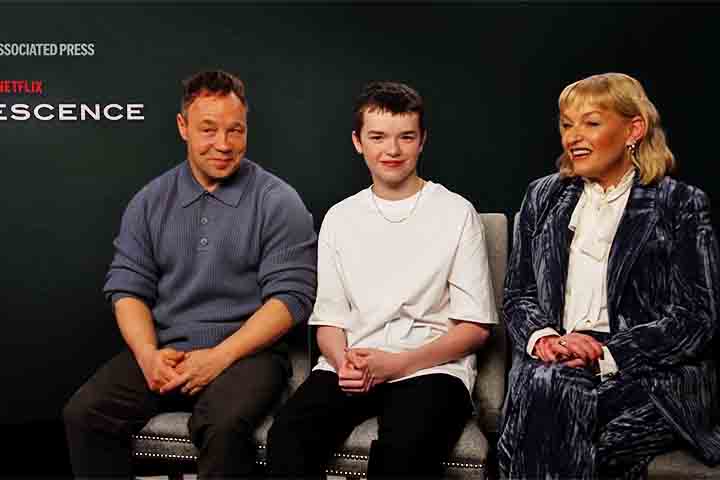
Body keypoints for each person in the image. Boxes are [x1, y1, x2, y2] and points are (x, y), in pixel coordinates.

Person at [63, 70, 318, 479]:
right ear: (183, 127)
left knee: (222, 426)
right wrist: (147, 355)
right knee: (85, 414)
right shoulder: (150, 201)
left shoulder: (278, 201)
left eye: (235, 130)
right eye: (208, 129)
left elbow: (292, 298)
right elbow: (127, 288)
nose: (224, 144)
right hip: (168, 350)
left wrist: (219, 358)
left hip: (248, 354)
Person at [265, 81, 498, 480]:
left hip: (431, 368)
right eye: (378, 137)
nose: (392, 150)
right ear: (358, 142)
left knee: (403, 453)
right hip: (353, 364)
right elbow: (329, 322)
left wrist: (396, 364)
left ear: (422, 141)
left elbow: (475, 328)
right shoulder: (340, 217)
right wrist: (344, 363)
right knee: (288, 436)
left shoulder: (457, 213)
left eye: (405, 137)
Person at [498, 72, 720, 479]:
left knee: (551, 404)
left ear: (633, 129)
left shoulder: (680, 204)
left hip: (646, 375)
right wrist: (546, 339)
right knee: (555, 387)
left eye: (591, 123)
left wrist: (605, 353)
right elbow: (519, 294)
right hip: (555, 358)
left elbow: (695, 319)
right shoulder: (543, 196)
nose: (574, 137)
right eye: (567, 125)